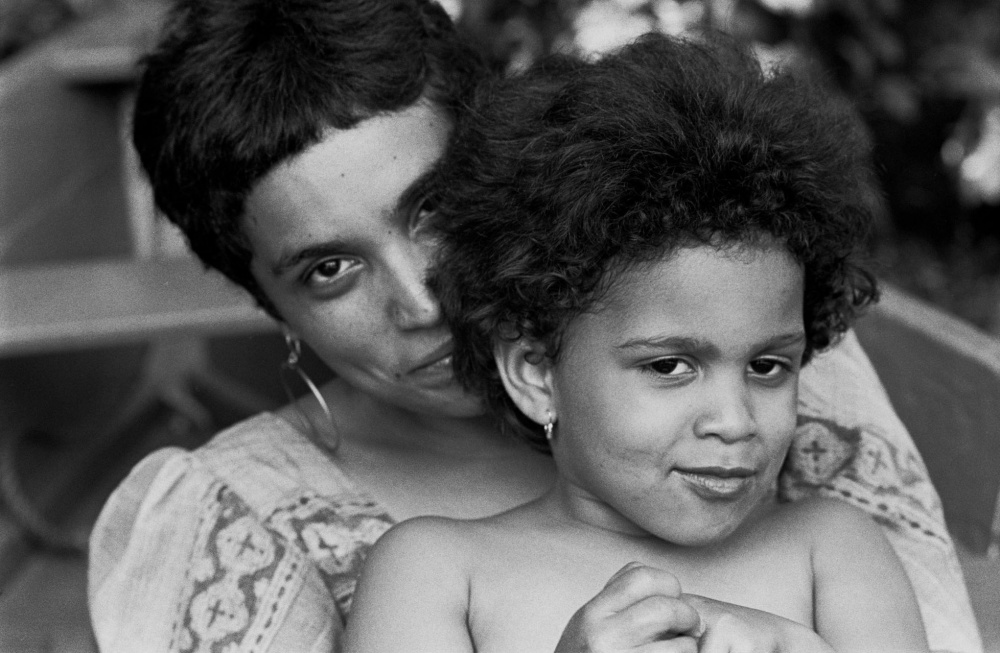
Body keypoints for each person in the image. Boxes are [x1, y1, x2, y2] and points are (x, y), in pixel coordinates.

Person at [86, 0, 980, 651]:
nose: (424, 301)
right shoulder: (383, 558)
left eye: (433, 210)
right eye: (329, 269)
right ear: (267, 302)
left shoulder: (759, 360)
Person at [342, 32, 929, 653]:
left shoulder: (831, 549)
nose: (735, 422)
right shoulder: (438, 573)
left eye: (766, 365)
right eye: (671, 365)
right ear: (535, 372)